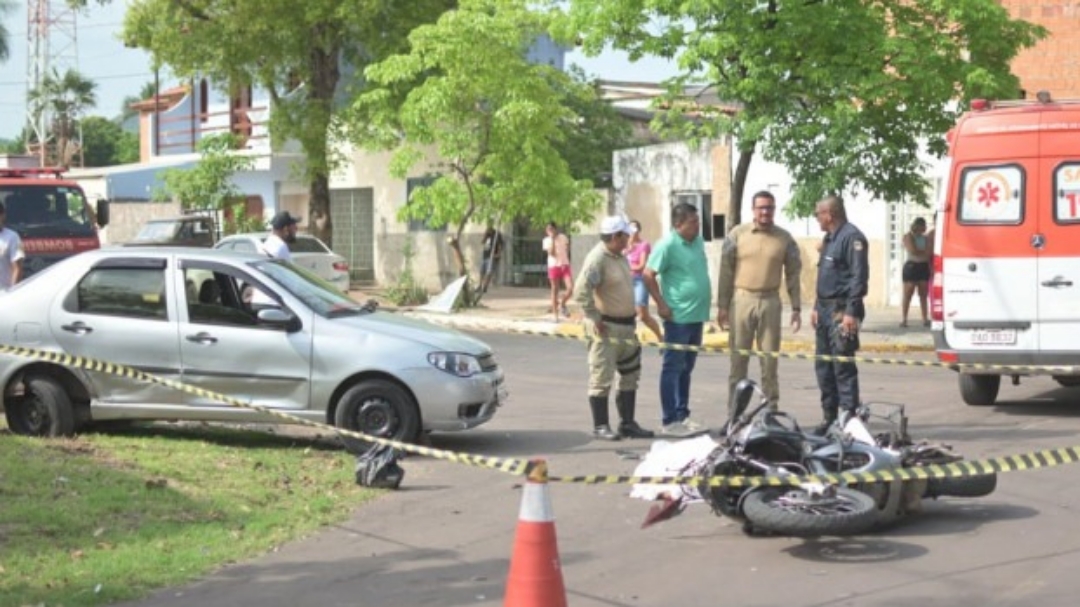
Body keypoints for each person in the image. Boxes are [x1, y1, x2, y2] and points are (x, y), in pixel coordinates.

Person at [716, 191, 802, 415]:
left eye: (770, 208)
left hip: (770, 302)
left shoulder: (785, 239)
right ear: (753, 210)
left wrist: (796, 308)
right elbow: (725, 271)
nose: (765, 212)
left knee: (770, 363)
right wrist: (722, 306)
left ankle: (771, 412)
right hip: (742, 300)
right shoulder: (737, 235)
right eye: (761, 207)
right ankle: (734, 414)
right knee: (738, 363)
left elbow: (793, 273)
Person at [574, 215, 654, 441]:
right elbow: (581, 291)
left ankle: (627, 423)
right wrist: (593, 316)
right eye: (625, 235)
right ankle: (600, 425)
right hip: (606, 328)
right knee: (601, 377)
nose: (629, 238)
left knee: (630, 375)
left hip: (626, 327)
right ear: (616, 236)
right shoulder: (597, 258)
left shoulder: (619, 257)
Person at [643, 203, 712, 437]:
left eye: (698, 221)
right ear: (678, 224)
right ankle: (669, 419)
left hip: (696, 316)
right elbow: (647, 275)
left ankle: (683, 414)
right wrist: (661, 304)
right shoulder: (667, 245)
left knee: (687, 368)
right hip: (678, 318)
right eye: (693, 222)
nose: (697, 226)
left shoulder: (698, 242)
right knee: (672, 368)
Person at [810, 195, 869, 434]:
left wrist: (851, 312)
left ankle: (848, 419)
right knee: (823, 367)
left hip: (841, 311)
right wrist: (815, 306)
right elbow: (825, 275)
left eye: (818, 215)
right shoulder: (829, 238)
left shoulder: (852, 238)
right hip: (824, 309)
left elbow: (859, 277)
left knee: (842, 367)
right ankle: (829, 417)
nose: (817, 220)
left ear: (829, 214)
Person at [624, 219, 663, 342]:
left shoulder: (644, 245)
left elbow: (641, 265)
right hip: (625, 280)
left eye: (635, 229)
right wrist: (628, 249)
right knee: (626, 313)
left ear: (639, 231)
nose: (632, 232)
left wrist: (627, 266)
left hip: (638, 279)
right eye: (630, 229)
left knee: (642, 314)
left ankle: (660, 337)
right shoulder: (625, 246)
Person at [900, 217, 931, 328]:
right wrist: (922, 251)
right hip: (912, 266)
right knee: (908, 293)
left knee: (923, 294)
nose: (924, 228)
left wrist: (921, 251)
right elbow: (912, 250)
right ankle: (904, 319)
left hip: (923, 266)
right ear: (917, 226)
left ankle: (925, 318)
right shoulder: (908, 236)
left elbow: (928, 252)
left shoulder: (925, 238)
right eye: (922, 226)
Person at [542, 222, 573, 322]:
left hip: (564, 265)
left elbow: (567, 248)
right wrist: (552, 240)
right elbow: (552, 253)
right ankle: (555, 315)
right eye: (548, 230)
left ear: (556, 229)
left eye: (551, 229)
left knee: (570, 288)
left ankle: (562, 304)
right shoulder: (546, 240)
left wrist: (565, 258)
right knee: (555, 289)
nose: (550, 231)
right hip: (553, 266)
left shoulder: (563, 237)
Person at [0, 201, 26, 291]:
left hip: (4, 295)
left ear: (3, 215)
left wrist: (11, 294)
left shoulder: (13, 237)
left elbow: (17, 269)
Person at [480, 226, 503, 293]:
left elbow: (499, 246)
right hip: (485, 256)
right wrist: (485, 235)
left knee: (488, 272)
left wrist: (497, 255)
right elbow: (482, 243)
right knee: (481, 271)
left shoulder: (496, 237)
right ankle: (480, 285)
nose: (487, 230)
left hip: (491, 257)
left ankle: (485, 286)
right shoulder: (487, 237)